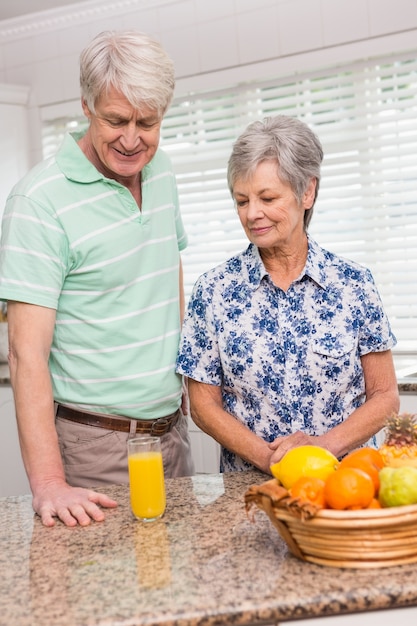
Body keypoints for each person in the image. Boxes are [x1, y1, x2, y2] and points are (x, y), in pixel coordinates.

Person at [0, 30, 194, 527]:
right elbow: (27, 354)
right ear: (86, 105)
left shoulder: (162, 170)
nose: (132, 140)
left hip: (172, 431)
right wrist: (49, 483)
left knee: (177, 587)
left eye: (147, 123)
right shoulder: (38, 202)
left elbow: (167, 266)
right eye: (116, 120)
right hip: (95, 447)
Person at [176, 115, 399, 473]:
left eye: (267, 198)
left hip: (347, 484)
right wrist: (273, 461)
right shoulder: (213, 291)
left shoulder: (355, 284)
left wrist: (321, 448)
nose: (253, 214)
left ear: (307, 192)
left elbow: (385, 396)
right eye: (241, 200)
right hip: (249, 490)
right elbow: (204, 406)